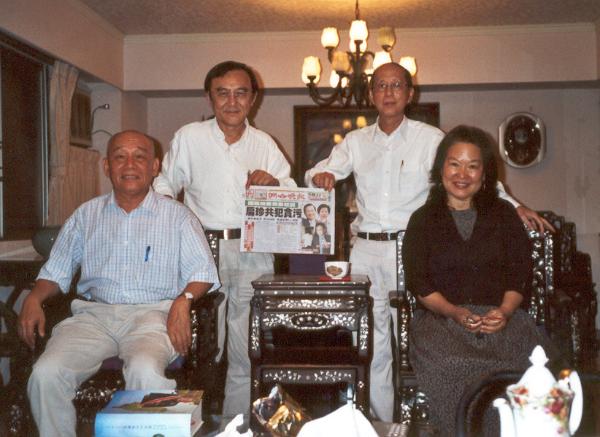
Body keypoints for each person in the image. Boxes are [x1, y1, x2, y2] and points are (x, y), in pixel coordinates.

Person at [305, 62, 552, 421]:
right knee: (371, 344)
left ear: (410, 93)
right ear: (371, 94)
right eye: (381, 86)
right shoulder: (355, 142)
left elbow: (474, 173)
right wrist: (322, 177)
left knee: (408, 337)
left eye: (396, 85)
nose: (388, 93)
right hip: (366, 250)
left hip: (412, 248)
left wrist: (517, 206)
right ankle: (384, 423)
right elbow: (320, 171)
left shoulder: (430, 138)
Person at [18, 130, 220, 437]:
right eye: (120, 157)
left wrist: (184, 300)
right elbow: (56, 271)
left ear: (154, 167)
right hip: (92, 318)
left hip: (152, 317)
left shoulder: (178, 217)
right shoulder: (86, 215)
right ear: (107, 166)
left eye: (139, 156)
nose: (130, 165)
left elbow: (203, 272)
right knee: (45, 374)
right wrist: (34, 298)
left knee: (144, 370)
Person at [152, 60, 296, 419]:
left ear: (253, 99)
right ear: (209, 97)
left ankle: (235, 423)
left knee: (246, 344)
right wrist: (172, 216)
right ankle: (195, 422)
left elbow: (292, 191)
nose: (232, 102)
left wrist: (275, 184)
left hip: (253, 249)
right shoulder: (190, 137)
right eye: (223, 93)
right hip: (201, 248)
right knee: (201, 344)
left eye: (240, 93)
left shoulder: (264, 144)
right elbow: (164, 183)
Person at [402, 125, 556, 436]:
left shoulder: (504, 214)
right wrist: (454, 312)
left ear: (485, 174)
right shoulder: (422, 219)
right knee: (453, 363)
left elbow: (519, 274)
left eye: (473, 166)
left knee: (525, 365)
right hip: (441, 321)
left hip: (503, 319)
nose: (463, 174)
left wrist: (505, 311)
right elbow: (419, 283)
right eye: (454, 164)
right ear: (441, 169)